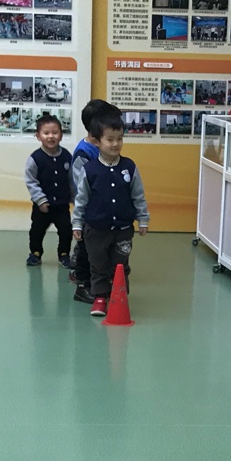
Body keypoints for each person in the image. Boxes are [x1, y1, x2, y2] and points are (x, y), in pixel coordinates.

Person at [71, 110, 149, 318]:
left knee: (120, 264)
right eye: (110, 139)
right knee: (98, 265)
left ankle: (119, 295)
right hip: (96, 229)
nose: (115, 144)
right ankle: (100, 297)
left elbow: (138, 195)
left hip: (123, 228)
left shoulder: (129, 167)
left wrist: (143, 218)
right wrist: (77, 223)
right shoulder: (90, 169)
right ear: (97, 142)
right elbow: (81, 199)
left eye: (120, 139)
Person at [68, 99, 118, 301]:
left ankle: (100, 278)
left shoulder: (103, 146)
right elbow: (82, 185)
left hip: (102, 208)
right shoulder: (84, 152)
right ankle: (82, 284)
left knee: (99, 246)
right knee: (86, 248)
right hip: (89, 209)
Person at [24, 113, 73, 268]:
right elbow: (31, 181)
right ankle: (35, 253)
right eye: (46, 133)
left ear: (61, 135)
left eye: (55, 132)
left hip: (62, 205)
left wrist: (75, 198)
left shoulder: (67, 156)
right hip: (42, 206)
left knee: (66, 230)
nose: (51, 136)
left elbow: (72, 179)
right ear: (38, 136)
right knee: (37, 231)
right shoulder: (35, 158)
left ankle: (64, 254)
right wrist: (40, 200)